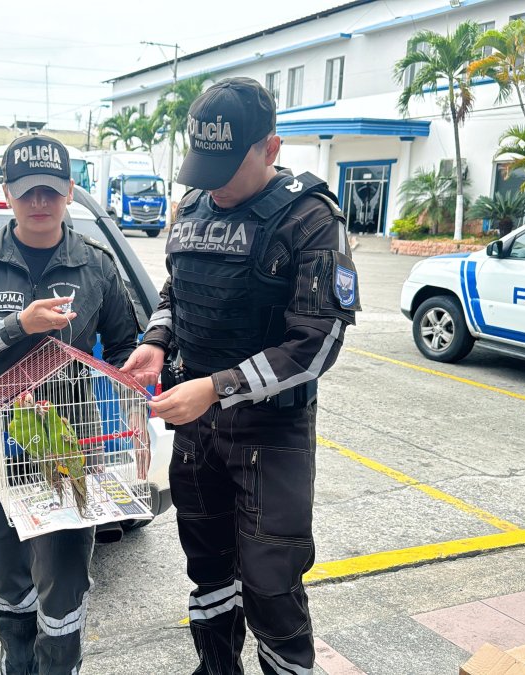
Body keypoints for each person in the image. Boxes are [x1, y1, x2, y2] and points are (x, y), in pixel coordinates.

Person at [121, 77, 360, 675]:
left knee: (271, 584)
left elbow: (316, 343)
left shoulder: (310, 219)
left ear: (271, 149)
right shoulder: (194, 204)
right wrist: (157, 340)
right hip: (197, 426)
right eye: (202, 166)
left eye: (226, 167)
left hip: (270, 434)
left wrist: (217, 389)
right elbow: (176, 288)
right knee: (206, 568)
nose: (212, 183)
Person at [0, 134, 140, 674]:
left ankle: (59, 666)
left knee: (65, 567)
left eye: (51, 191)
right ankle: (16, 660)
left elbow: (124, 344)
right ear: (7, 195)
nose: (40, 203)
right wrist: (18, 324)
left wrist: (134, 386)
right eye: (28, 193)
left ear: (70, 192)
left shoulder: (94, 265)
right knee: (2, 563)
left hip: (65, 435)